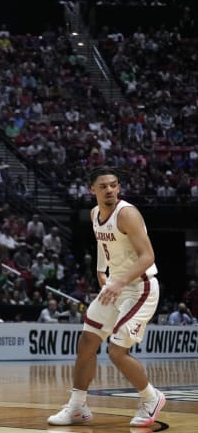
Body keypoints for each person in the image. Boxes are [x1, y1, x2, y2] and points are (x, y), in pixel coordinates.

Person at [48, 167, 165, 427]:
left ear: (119, 187)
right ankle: (77, 406)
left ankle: (151, 398)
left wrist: (120, 280)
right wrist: (102, 271)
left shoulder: (128, 214)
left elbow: (148, 256)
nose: (109, 190)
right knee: (87, 342)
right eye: (103, 186)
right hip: (115, 285)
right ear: (92, 190)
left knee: (116, 351)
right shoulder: (94, 214)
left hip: (140, 287)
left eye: (113, 185)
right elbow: (104, 244)